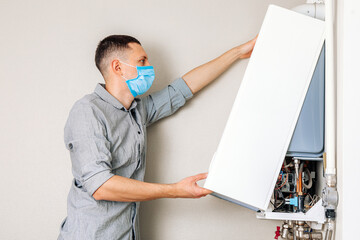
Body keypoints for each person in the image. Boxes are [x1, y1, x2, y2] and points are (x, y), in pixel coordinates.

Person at [58, 34, 257, 240]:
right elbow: (101, 186)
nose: (149, 67)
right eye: (142, 61)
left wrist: (238, 52)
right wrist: (175, 190)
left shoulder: (137, 111)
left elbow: (183, 88)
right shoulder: (88, 111)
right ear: (118, 67)